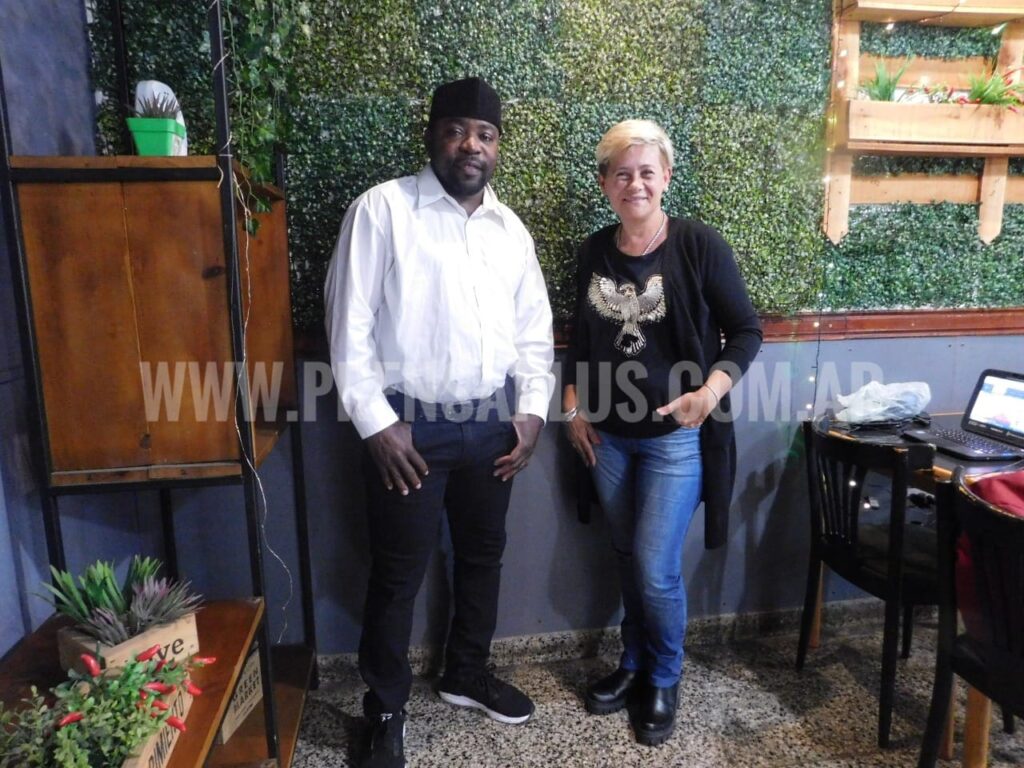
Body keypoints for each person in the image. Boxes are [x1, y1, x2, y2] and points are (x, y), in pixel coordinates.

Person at [324, 77, 555, 768]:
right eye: (456, 130)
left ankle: (466, 672)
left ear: (498, 146)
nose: (470, 145)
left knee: (483, 558)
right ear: (432, 136)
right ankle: (384, 708)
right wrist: (376, 424)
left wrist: (532, 413)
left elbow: (534, 334)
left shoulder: (511, 231)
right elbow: (348, 323)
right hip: (408, 431)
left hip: (491, 428)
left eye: (485, 134)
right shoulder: (382, 210)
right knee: (398, 574)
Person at [562, 119, 762, 746]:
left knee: (654, 566)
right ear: (605, 183)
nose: (636, 184)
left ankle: (664, 676)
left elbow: (747, 331)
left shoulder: (699, 245)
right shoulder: (594, 251)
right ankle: (632, 663)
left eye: (647, 171)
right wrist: (571, 407)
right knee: (626, 557)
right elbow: (580, 339)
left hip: (675, 440)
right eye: (622, 174)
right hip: (607, 439)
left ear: (667, 177)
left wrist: (710, 393)